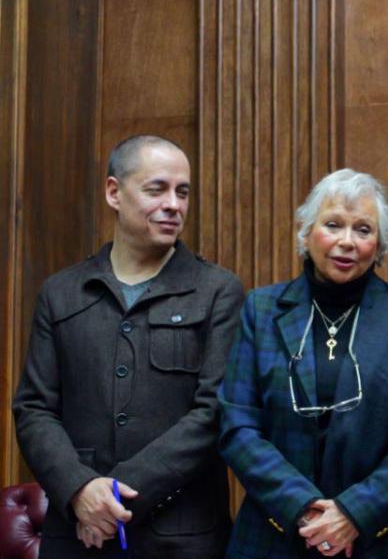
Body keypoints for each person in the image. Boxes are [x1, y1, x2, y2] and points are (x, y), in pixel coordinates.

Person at [219, 169, 388, 558]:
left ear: (379, 246)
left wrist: (353, 512)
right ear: (306, 234)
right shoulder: (261, 310)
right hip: (278, 534)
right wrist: (304, 509)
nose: (347, 242)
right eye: (332, 225)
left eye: (363, 230)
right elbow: (237, 426)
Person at [13, 135, 243, 558]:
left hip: (181, 537)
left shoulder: (217, 291)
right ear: (114, 192)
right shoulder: (62, 293)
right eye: (157, 189)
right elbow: (34, 409)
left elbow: (215, 412)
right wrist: (80, 489)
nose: (174, 204)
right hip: (77, 533)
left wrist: (113, 495)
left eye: (183, 192)